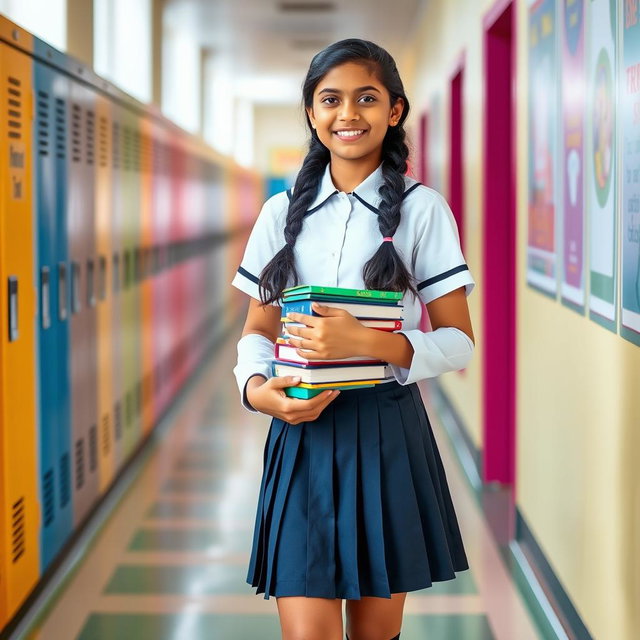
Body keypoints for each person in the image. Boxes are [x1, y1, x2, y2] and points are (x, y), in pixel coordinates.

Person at [231, 38, 476, 640]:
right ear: (312, 114)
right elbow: (258, 329)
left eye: (367, 99)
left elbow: (459, 340)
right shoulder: (279, 212)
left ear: (394, 111)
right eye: (331, 100)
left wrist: (371, 343)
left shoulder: (422, 211)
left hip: (386, 430)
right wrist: (258, 390)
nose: (348, 114)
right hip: (300, 431)